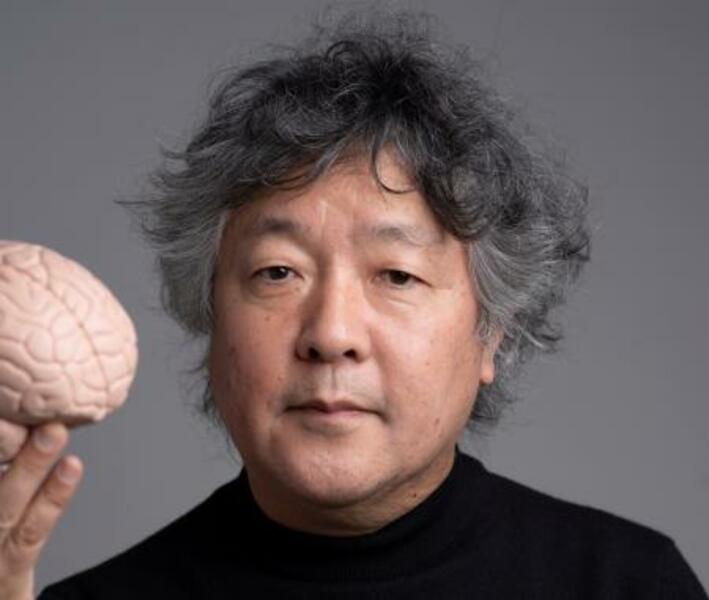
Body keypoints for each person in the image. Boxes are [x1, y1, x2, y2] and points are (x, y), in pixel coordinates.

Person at [0, 8, 705, 599]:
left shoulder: (625, 586)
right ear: (209, 315)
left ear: (491, 331)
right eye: (278, 272)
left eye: (396, 276)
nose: (331, 334)